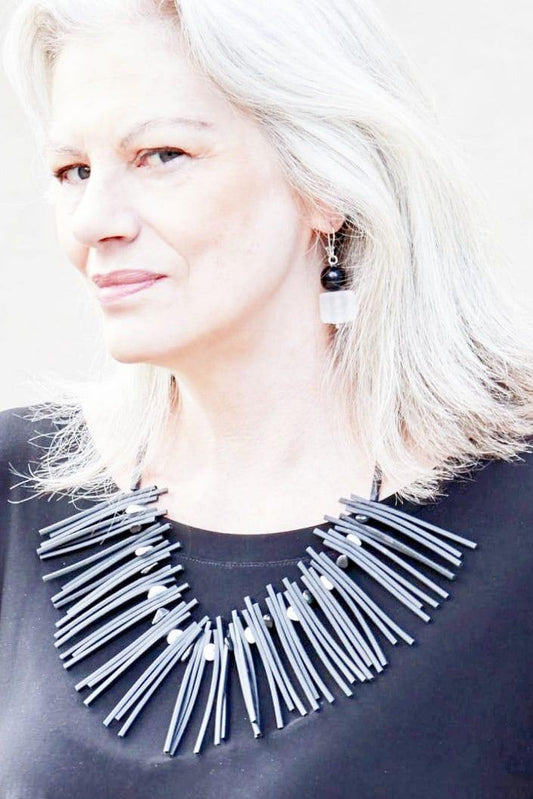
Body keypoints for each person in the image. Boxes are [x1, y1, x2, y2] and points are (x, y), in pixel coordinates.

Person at [1, 0, 532, 797]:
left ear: (323, 182)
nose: (94, 219)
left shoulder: (515, 512)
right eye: (73, 169)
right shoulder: (18, 482)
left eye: (161, 154)